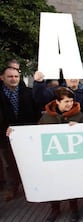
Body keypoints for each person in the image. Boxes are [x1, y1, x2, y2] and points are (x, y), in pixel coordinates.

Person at [38, 87, 83, 222]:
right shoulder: (46, 117)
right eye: (66, 101)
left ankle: (74, 209)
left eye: (71, 101)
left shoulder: (79, 115)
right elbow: (36, 135)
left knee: (72, 183)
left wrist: (80, 127)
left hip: (72, 157)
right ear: (57, 102)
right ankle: (55, 209)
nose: (69, 104)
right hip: (53, 158)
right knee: (53, 183)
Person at [0, 65, 41, 201]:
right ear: (2, 78)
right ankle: (13, 188)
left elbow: (36, 112)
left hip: (27, 136)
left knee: (28, 161)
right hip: (5, 135)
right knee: (10, 163)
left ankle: (30, 186)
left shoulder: (28, 92)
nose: (13, 79)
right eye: (10, 76)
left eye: (16, 76)